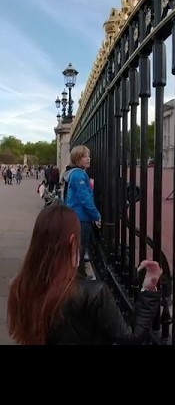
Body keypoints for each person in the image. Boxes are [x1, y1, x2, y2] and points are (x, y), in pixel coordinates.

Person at [6, 204, 162, 345]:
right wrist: (148, 291)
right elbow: (130, 338)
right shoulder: (94, 294)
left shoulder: (20, 286)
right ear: (73, 240)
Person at [62, 145, 101, 278]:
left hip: (78, 216)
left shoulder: (77, 173)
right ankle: (79, 275)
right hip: (81, 217)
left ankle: (77, 272)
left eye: (88, 156)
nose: (89, 159)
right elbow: (85, 199)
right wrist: (96, 216)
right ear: (77, 159)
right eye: (85, 156)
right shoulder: (78, 174)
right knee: (80, 247)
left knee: (79, 247)